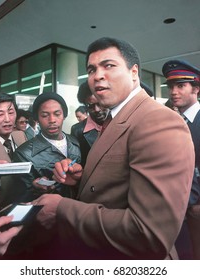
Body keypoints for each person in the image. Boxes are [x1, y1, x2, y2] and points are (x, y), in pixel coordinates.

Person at [33, 37, 194, 260]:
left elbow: (148, 235)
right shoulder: (116, 117)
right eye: (91, 69)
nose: (97, 75)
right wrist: (82, 179)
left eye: (109, 65)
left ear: (134, 72)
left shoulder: (158, 121)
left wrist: (62, 209)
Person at [12, 92, 81, 202]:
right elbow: (20, 198)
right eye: (45, 115)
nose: (52, 120)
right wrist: (34, 190)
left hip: (79, 211)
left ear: (64, 116)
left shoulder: (76, 142)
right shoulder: (24, 154)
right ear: (37, 119)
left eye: (57, 114)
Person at [162, 59, 200, 259]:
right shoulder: (174, 122)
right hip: (175, 209)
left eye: (181, 86)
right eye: (171, 86)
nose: (173, 91)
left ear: (196, 88)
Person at [0, 93, 27, 219]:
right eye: (0, 114)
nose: (8, 119)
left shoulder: (21, 136)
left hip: (24, 209)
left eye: (11, 112)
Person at [71, 81, 109, 166]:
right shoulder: (77, 130)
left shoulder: (120, 123)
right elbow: (75, 162)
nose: (97, 110)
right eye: (91, 106)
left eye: (100, 104)